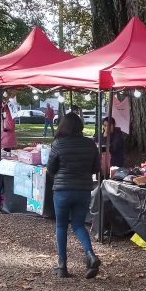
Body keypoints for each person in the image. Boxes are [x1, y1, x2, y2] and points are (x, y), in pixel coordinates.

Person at [47, 112, 101, 279]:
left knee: (61, 226)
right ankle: (90, 255)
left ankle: (62, 265)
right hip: (83, 189)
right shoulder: (90, 144)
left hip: (62, 190)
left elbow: (50, 169)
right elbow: (95, 168)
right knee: (78, 225)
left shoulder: (58, 144)